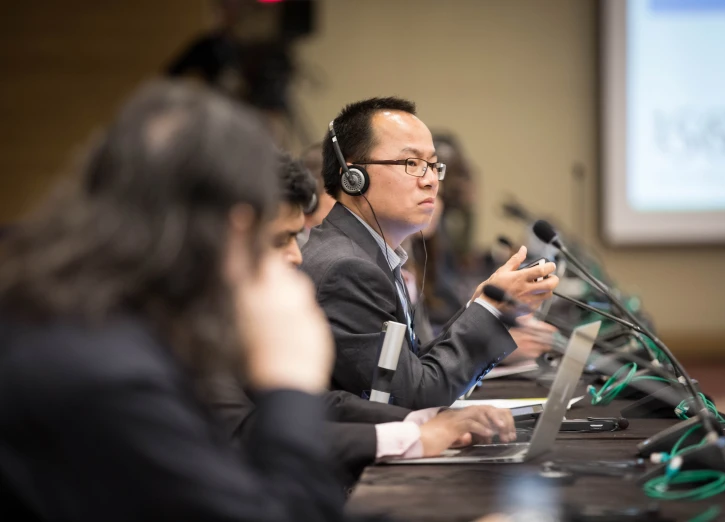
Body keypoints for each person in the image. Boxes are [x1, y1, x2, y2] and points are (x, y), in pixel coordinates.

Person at [0, 80, 352, 521]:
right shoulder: (101, 366)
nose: (294, 256)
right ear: (235, 227)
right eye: (272, 235)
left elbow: (223, 491)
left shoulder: (101, 315)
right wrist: (291, 382)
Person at [200, 154, 517, 487]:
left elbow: (323, 403)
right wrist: (413, 438)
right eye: (280, 240)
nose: (296, 255)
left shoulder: (231, 315)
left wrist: (427, 420)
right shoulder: (184, 330)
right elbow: (246, 436)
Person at [301, 97, 559, 409]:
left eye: (433, 165)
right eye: (411, 164)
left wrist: (478, 308)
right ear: (353, 176)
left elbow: (411, 370)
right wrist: (489, 310)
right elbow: (415, 396)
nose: (431, 181)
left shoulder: (366, 253)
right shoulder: (347, 268)